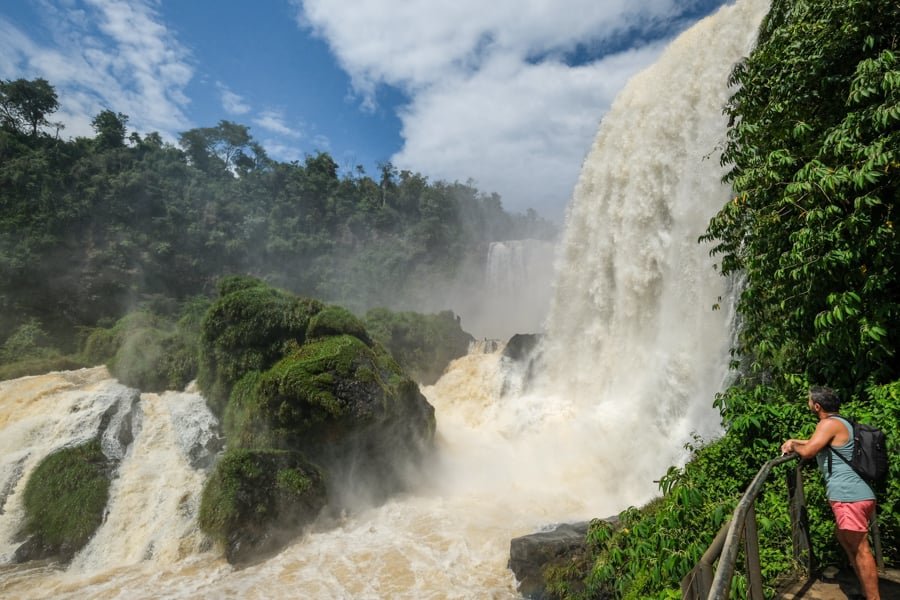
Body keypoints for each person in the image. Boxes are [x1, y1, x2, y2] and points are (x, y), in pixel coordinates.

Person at [781, 386, 880, 600]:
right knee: (845, 538)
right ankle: (865, 591)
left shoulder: (828, 424)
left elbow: (809, 451)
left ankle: (873, 597)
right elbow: (815, 443)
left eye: (809, 401)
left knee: (860, 548)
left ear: (816, 406)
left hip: (849, 496)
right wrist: (794, 442)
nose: (808, 404)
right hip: (856, 493)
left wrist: (795, 447)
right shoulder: (840, 423)